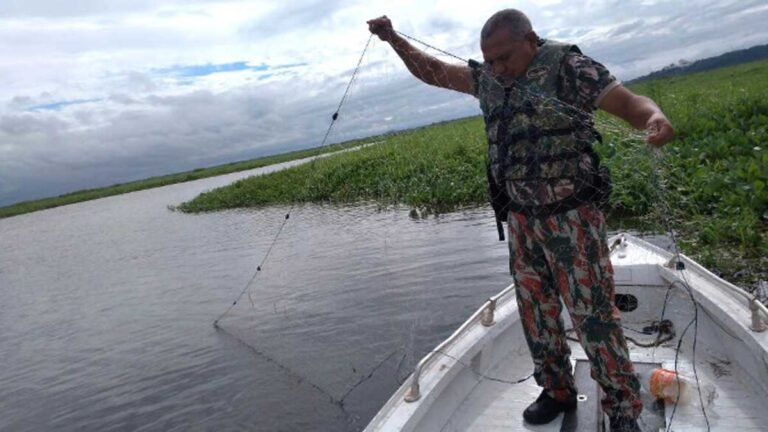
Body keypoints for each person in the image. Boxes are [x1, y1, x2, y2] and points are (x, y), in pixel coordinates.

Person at [368, 9, 674, 432]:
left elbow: (630, 104)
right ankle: (557, 390)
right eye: (488, 60)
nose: (496, 68)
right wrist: (393, 39)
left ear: (530, 40)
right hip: (521, 221)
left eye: (504, 58)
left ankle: (622, 407)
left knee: (593, 314)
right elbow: (433, 71)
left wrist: (655, 117)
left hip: (573, 218)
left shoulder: (570, 67)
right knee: (535, 311)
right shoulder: (489, 79)